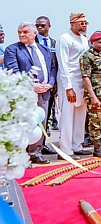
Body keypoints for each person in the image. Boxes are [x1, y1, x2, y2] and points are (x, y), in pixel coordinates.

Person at [4, 22, 57, 164]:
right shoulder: (13, 50)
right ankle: (20, 156)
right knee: (23, 124)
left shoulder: (44, 49)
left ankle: (36, 152)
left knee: (41, 123)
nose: (22, 34)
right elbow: (13, 72)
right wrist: (31, 86)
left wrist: (50, 83)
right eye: (19, 32)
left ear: (34, 33)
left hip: (44, 93)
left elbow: (52, 68)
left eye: (25, 32)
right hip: (24, 95)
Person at [56, 13, 91, 160]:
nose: (84, 25)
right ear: (72, 24)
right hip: (68, 81)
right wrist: (68, 87)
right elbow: (63, 64)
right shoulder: (65, 39)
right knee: (67, 116)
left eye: (85, 23)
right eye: (81, 23)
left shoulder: (84, 40)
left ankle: (77, 145)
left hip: (81, 81)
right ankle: (65, 149)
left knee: (80, 115)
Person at [35, 16, 59, 143]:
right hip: (37, 85)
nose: (39, 27)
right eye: (37, 25)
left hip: (51, 85)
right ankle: (35, 145)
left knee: (47, 114)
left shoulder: (54, 43)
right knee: (36, 117)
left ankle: (43, 144)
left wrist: (54, 83)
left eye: (42, 25)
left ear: (49, 26)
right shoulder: (32, 42)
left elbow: (56, 64)